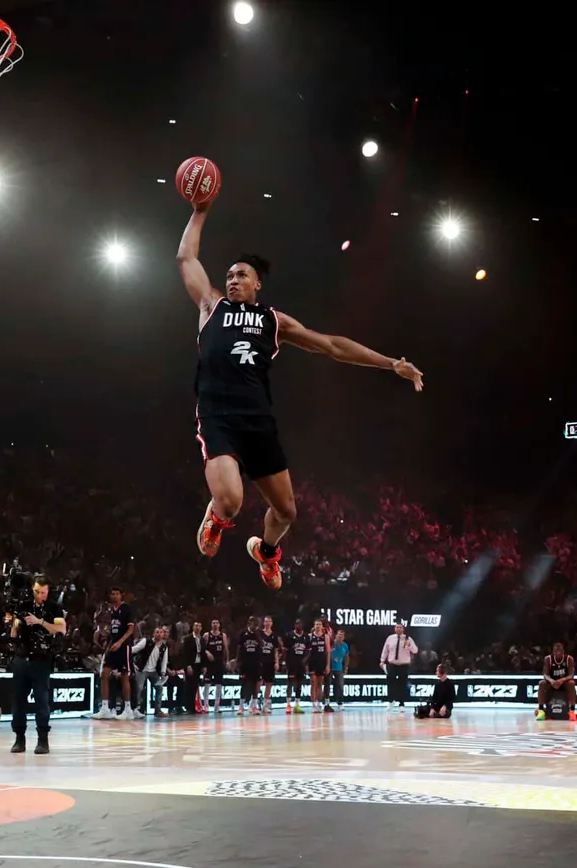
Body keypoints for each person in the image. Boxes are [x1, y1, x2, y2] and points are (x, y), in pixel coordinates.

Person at [178, 202, 424, 590]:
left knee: (287, 511)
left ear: (257, 284)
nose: (232, 279)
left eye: (241, 275)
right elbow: (186, 256)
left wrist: (390, 363)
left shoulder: (274, 320)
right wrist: (201, 209)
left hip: (258, 420)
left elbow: (332, 346)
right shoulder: (212, 307)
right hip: (218, 415)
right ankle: (217, 517)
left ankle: (266, 552)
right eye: (228, 275)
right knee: (231, 502)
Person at [9, 575, 66, 752]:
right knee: (18, 700)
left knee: (42, 700)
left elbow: (61, 629)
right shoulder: (23, 606)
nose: (41, 595)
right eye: (37, 592)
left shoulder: (54, 608)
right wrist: (16, 624)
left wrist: (40, 622)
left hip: (41, 660)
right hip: (21, 658)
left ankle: (43, 739)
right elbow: (13, 633)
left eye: (43, 592)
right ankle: (19, 738)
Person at [92, 587, 139, 720]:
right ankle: (105, 707)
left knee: (124, 676)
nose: (114, 596)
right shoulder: (110, 611)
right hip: (112, 645)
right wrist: (107, 637)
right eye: (112, 594)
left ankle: (128, 709)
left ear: (121, 595)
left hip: (124, 646)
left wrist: (120, 642)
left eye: (116, 594)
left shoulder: (127, 609)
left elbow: (131, 629)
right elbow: (113, 629)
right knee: (104, 674)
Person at [380, 622, 417, 712]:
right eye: (397, 627)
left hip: (403, 665)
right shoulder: (390, 638)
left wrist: (409, 645)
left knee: (402, 685)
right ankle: (390, 701)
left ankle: (401, 704)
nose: (398, 629)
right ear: (394, 628)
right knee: (390, 683)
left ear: (403, 629)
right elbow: (385, 650)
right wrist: (382, 660)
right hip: (392, 664)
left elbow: (415, 651)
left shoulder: (408, 639)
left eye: (400, 627)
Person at [536, 641, 577, 721]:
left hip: (563, 682)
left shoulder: (569, 659)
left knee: (571, 683)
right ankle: (541, 710)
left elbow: (571, 675)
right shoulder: (548, 659)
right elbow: (545, 674)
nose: (558, 652)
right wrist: (552, 681)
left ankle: (572, 711)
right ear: (553, 652)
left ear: (563, 651)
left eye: (560, 651)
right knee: (541, 683)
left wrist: (561, 680)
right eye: (556, 651)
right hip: (552, 682)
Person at [282, 619, 311, 714]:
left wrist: (305, 661)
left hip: (301, 664)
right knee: (290, 683)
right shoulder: (289, 635)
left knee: (299, 684)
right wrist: (284, 662)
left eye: (300, 624)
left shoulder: (306, 637)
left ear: (303, 625)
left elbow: (309, 651)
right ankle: (288, 705)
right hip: (291, 662)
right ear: (295, 625)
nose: (298, 625)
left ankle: (297, 704)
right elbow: (285, 650)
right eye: (297, 623)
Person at [236, 616, 262, 715]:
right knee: (244, 684)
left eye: (256, 624)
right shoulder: (243, 633)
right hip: (245, 663)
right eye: (253, 623)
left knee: (255, 685)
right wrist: (238, 661)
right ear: (249, 623)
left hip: (256, 662)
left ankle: (254, 706)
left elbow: (262, 645)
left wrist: (257, 634)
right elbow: (239, 648)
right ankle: (241, 707)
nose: (255, 626)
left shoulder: (258, 634)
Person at [202, 619, 228, 714]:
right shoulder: (206, 635)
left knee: (218, 685)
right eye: (213, 623)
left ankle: (217, 706)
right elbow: (202, 648)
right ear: (211, 624)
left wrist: (227, 661)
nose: (215, 624)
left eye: (217, 623)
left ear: (219, 625)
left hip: (219, 662)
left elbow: (225, 649)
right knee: (207, 684)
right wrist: (207, 652)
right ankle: (206, 706)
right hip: (209, 663)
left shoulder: (223, 635)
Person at [307, 618, 330, 713]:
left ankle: (318, 703)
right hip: (312, 662)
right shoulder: (310, 636)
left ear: (322, 626)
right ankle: (313, 704)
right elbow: (307, 652)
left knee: (320, 684)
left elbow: (328, 652)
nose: (318, 626)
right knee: (313, 683)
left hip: (322, 662)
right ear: (314, 625)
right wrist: (306, 665)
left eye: (319, 624)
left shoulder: (326, 637)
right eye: (316, 624)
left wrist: (328, 665)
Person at [257, 616, 278, 714]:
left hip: (270, 662)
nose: (268, 623)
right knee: (259, 682)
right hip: (261, 661)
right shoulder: (259, 633)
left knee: (269, 684)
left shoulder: (274, 635)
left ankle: (265, 705)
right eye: (266, 621)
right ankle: (254, 704)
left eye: (269, 621)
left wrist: (277, 662)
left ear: (272, 623)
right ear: (263, 623)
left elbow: (276, 650)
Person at [329, 629, 349, 710]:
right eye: (339, 634)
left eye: (342, 635)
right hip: (329, 668)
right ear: (336, 635)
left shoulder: (345, 645)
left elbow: (347, 656)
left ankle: (340, 703)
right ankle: (325, 703)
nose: (340, 636)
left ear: (343, 637)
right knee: (327, 685)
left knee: (340, 686)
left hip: (339, 668)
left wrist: (346, 667)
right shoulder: (331, 643)